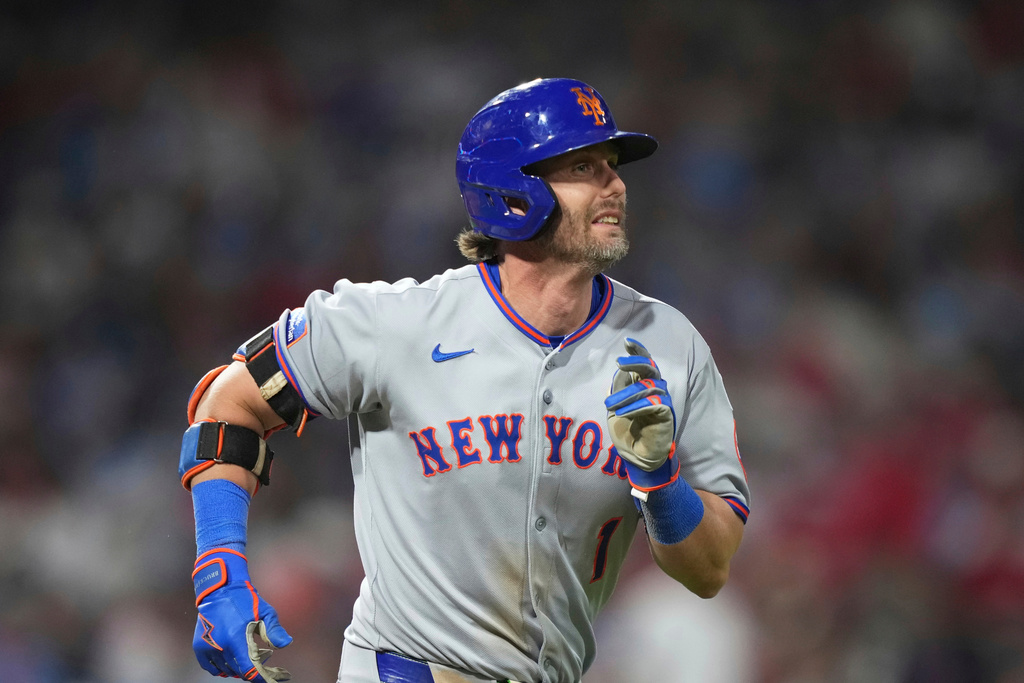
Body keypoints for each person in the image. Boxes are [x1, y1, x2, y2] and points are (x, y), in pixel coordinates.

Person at [179, 77, 750, 683]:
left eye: (613, 166)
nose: (615, 185)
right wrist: (220, 573)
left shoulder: (669, 346)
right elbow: (228, 404)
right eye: (585, 165)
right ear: (512, 190)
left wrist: (660, 481)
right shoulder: (397, 325)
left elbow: (709, 569)